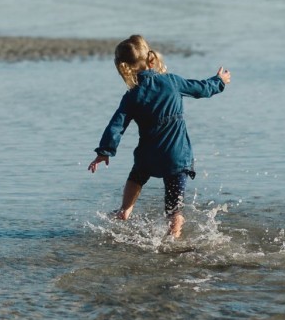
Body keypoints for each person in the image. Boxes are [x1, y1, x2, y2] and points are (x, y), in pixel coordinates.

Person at [87, 34, 231, 238]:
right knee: (173, 210)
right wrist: (219, 81)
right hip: (177, 157)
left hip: (148, 156)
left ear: (123, 67)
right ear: (150, 58)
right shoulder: (172, 81)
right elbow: (201, 89)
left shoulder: (132, 96)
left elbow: (116, 125)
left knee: (136, 177)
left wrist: (104, 151)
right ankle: (173, 240)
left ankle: (125, 210)